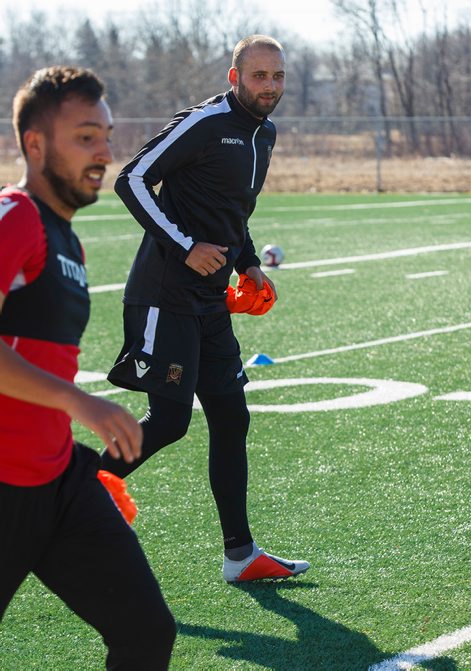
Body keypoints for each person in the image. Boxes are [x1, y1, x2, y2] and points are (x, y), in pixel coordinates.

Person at [102, 35, 310, 583]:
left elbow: (233, 210)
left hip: (212, 300)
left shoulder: (263, 134)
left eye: (277, 76)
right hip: (164, 294)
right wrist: (184, 245)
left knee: (230, 416)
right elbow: (132, 178)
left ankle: (240, 556)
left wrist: (247, 262)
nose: (269, 86)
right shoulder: (204, 122)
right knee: (169, 421)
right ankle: (62, 493)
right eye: (259, 75)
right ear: (233, 75)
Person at [0, 66, 176, 669]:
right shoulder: (15, 216)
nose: (104, 152)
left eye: (104, 134)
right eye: (84, 137)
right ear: (35, 144)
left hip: (57, 485)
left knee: (146, 633)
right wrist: (83, 403)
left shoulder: (65, 237)